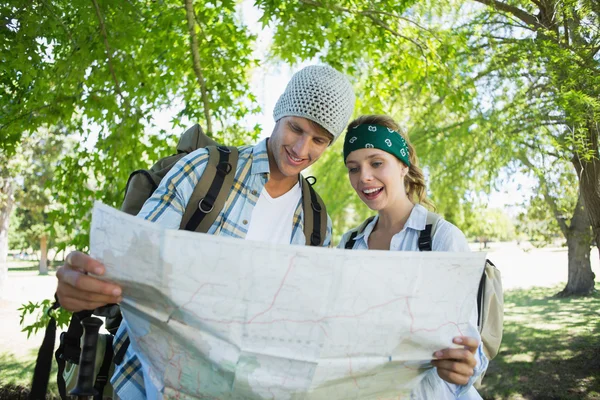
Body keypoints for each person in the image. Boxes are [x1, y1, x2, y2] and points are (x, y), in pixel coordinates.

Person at [55, 64, 356, 399]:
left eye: (318, 140)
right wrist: (85, 286)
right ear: (278, 113)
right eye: (295, 128)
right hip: (154, 382)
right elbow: (129, 268)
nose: (301, 149)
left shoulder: (317, 224)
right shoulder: (203, 170)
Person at [338, 114, 488, 399]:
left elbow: (469, 345)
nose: (364, 177)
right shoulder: (348, 245)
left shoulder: (442, 238)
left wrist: (465, 365)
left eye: (376, 163)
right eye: (353, 168)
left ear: (403, 165)